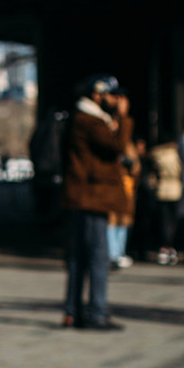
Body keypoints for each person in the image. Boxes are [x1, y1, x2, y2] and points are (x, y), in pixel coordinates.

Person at [61, 74, 132, 329]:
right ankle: (97, 313)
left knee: (79, 258)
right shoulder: (90, 121)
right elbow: (116, 146)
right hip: (91, 199)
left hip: (83, 198)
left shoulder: (82, 118)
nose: (116, 100)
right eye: (112, 96)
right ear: (97, 95)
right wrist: (123, 118)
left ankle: (73, 312)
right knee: (98, 258)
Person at [107, 135, 140, 269]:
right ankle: (113, 253)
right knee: (111, 222)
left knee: (123, 222)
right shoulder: (107, 140)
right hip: (111, 187)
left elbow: (136, 167)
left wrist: (130, 164)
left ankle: (119, 252)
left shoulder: (128, 145)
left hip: (126, 188)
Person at [149, 139, 183, 265]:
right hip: (175, 189)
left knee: (163, 220)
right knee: (173, 221)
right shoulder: (176, 154)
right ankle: (170, 248)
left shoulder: (158, 154)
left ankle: (164, 247)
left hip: (162, 189)